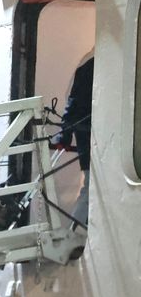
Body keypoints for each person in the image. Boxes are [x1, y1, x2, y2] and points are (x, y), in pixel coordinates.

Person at [53, 53, 93, 231]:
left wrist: (65, 136)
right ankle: (75, 233)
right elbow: (74, 105)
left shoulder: (87, 68)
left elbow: (72, 105)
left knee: (91, 187)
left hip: (88, 134)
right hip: (92, 135)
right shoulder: (92, 69)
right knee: (92, 188)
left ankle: (76, 232)